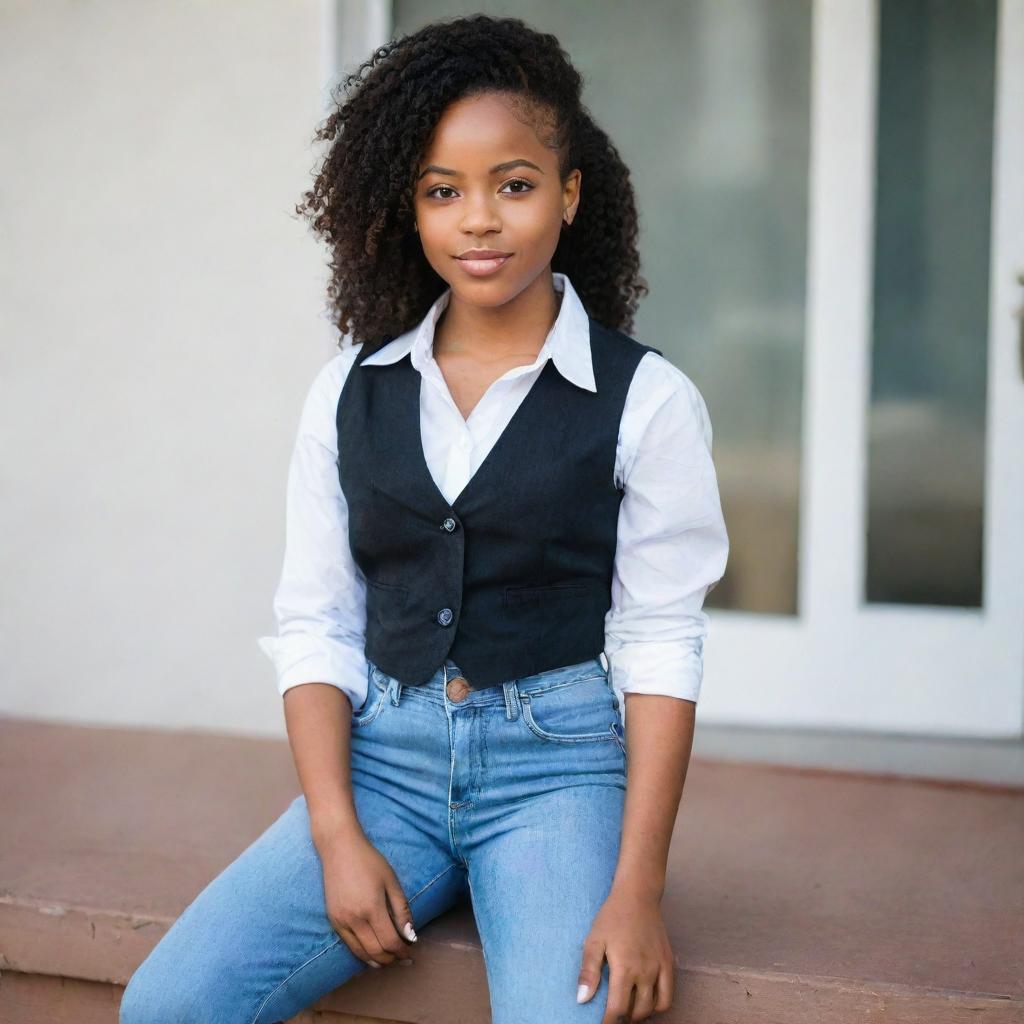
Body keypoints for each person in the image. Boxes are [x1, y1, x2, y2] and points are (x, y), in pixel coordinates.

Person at [119, 13, 729, 1024]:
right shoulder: (348, 392)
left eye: (514, 185)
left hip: (555, 768)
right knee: (167, 1005)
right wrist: (334, 833)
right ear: (407, 208)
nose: (477, 219)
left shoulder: (648, 400)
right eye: (442, 192)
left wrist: (637, 889)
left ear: (570, 194)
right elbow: (316, 623)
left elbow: (662, 639)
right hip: (382, 765)